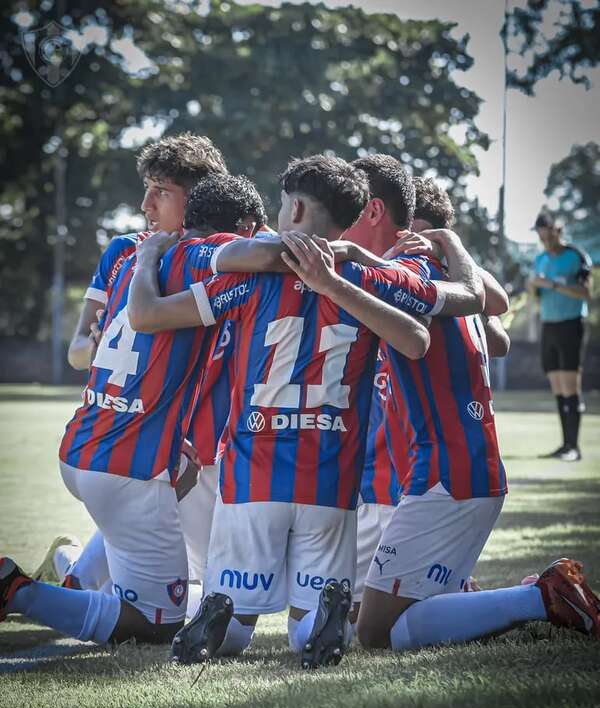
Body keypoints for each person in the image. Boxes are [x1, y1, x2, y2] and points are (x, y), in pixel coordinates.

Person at [127, 154, 485, 668]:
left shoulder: (250, 273)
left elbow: (150, 316)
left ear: (293, 208)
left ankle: (219, 614)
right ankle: (322, 618)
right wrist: (354, 268)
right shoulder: (364, 275)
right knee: (303, 634)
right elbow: (417, 339)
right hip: (329, 482)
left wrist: (145, 262)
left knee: (235, 631)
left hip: (254, 474)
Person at [0, 173, 286, 646]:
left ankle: (73, 570)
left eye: (162, 191)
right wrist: (336, 253)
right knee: (160, 620)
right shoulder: (197, 254)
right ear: (242, 226)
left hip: (89, 442)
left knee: (161, 569)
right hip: (127, 463)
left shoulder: (131, 254)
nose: (148, 203)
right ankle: (19, 591)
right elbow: (260, 255)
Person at [355, 177, 600, 651]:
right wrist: (449, 248)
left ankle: (541, 597)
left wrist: (444, 246)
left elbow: (498, 316)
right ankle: (506, 598)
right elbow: (499, 319)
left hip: (443, 475)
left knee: (374, 632)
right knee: (392, 618)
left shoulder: (429, 279)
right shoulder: (451, 286)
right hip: (461, 470)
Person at [528, 211, 593, 462]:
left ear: (557, 230)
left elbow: (586, 293)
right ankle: (565, 444)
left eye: (547, 234)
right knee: (557, 388)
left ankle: (574, 447)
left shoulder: (576, 256)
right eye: (541, 237)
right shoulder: (540, 259)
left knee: (570, 388)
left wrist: (553, 285)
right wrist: (533, 288)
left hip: (570, 325)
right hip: (549, 326)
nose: (544, 241)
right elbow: (537, 296)